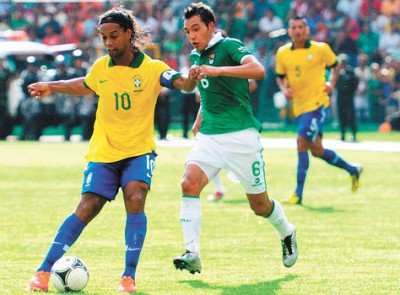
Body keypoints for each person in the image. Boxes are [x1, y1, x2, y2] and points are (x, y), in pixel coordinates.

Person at [27, 5, 199, 293]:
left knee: (135, 196)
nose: (108, 43)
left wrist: (192, 78)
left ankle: (128, 277)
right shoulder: (101, 68)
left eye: (113, 36)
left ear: (128, 35)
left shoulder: (152, 68)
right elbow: (85, 85)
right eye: (104, 37)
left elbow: (179, 82)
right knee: (87, 207)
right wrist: (51, 86)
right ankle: (43, 271)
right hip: (104, 153)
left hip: (138, 152)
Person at [173, 2, 298, 275]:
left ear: (211, 27)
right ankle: (192, 252)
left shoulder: (229, 46)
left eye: (196, 29)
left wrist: (218, 70)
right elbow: (203, 91)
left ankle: (287, 231)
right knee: (189, 183)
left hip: (242, 137)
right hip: (210, 137)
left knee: (260, 206)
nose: (192, 35)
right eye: (187, 31)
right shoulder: (196, 56)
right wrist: (198, 117)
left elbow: (258, 70)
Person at [275, 16, 363, 205]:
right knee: (317, 150)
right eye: (294, 27)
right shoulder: (282, 53)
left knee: (301, 142)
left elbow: (335, 64)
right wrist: (284, 89)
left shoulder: (320, 49)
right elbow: (280, 76)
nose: (298, 30)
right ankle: (352, 169)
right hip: (300, 106)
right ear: (289, 31)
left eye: (301, 27)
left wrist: (331, 82)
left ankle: (298, 194)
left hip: (317, 104)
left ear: (307, 30)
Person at [335, 53, 359, 142]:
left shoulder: (351, 72)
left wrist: (351, 91)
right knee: (341, 115)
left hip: (349, 96)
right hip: (340, 96)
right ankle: (342, 134)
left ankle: (353, 134)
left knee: (351, 115)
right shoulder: (337, 72)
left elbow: (355, 83)